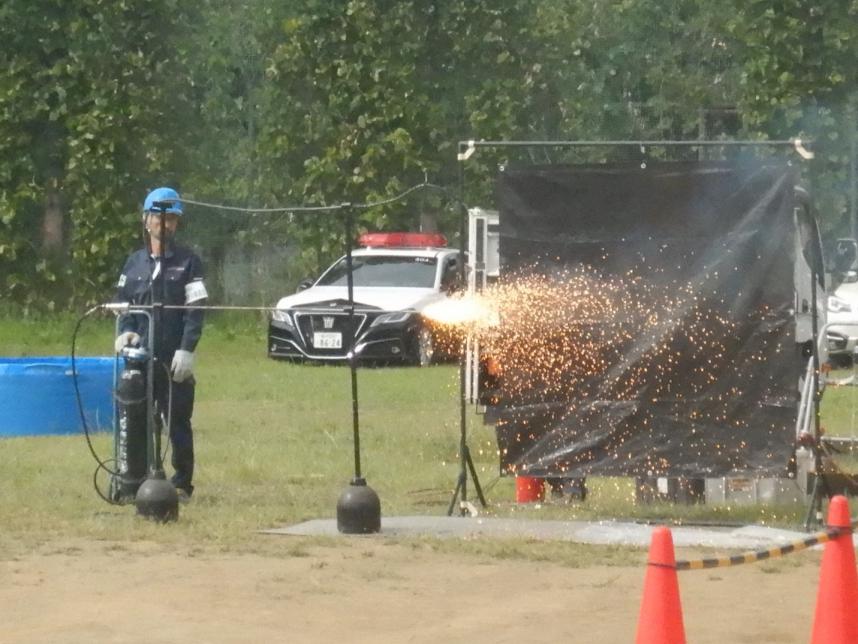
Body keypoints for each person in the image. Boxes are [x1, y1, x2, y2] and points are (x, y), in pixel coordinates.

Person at [114, 187, 207, 502]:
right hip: (139, 360)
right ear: (146, 220)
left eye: (170, 219)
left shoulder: (189, 262)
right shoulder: (134, 263)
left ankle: (181, 484)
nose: (163, 224)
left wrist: (187, 348)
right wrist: (126, 332)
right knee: (138, 420)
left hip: (173, 359)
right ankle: (137, 478)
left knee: (177, 422)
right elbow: (124, 306)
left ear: (176, 223)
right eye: (158, 217)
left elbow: (196, 312)